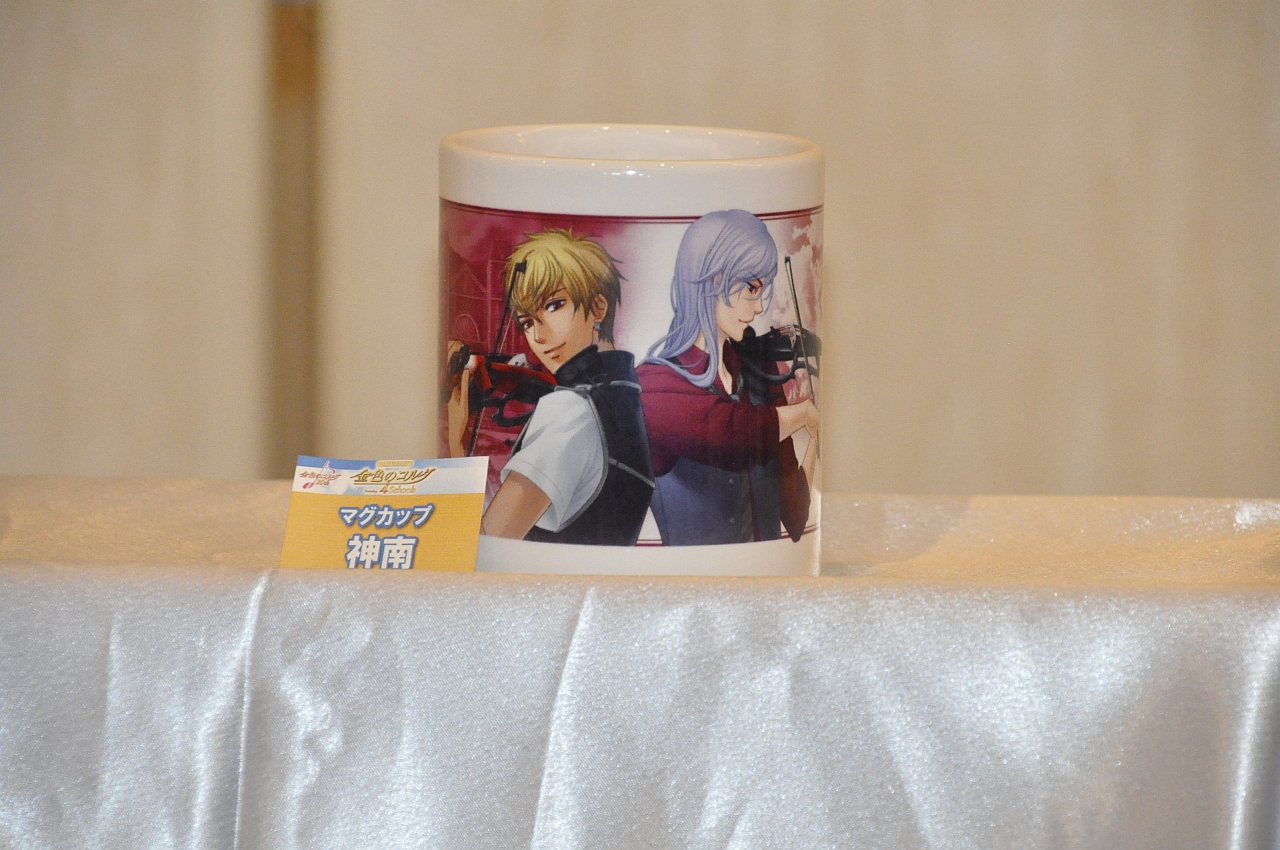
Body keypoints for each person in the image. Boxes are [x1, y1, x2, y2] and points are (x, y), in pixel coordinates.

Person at [448, 228, 654, 545]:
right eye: (527, 322)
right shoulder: (626, 398)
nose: (539, 337)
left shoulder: (571, 410)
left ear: (599, 307)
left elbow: (484, 545)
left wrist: (455, 445)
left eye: (555, 305)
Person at [636, 209, 818, 545]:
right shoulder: (654, 384)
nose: (759, 307)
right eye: (751, 288)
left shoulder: (760, 374)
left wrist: (816, 437)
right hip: (686, 578)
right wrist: (803, 413)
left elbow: (795, 515)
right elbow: (732, 433)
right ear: (712, 280)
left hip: (765, 575)